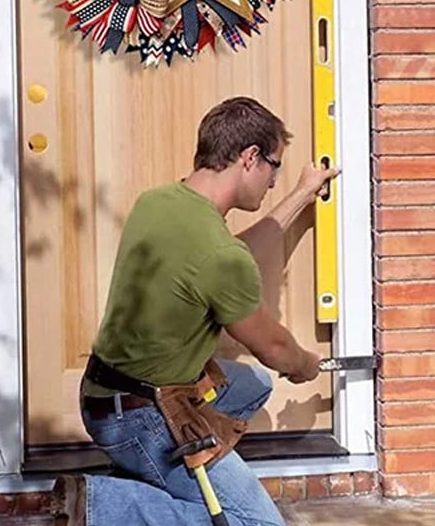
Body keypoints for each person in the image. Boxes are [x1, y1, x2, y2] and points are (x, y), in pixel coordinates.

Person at [53, 97, 339, 526]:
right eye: (275, 167)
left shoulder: (160, 202)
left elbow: (232, 255)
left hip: (102, 395)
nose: (274, 180)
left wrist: (302, 193)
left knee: (252, 386)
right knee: (260, 524)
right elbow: (275, 349)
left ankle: (162, 481)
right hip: (142, 417)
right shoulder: (219, 256)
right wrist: (305, 365)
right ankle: (101, 506)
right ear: (250, 157)